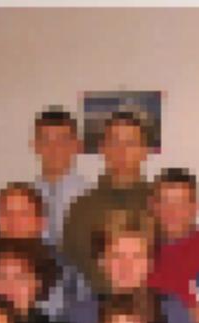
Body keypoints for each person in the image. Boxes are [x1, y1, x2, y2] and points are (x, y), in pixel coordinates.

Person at [65, 209, 197, 323]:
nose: (126, 266)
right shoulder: (79, 315)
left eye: (137, 256)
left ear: (150, 263)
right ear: (101, 261)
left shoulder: (173, 310)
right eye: (117, 256)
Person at [62, 111, 152, 290]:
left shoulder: (160, 205)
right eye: (115, 142)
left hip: (150, 303)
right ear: (103, 149)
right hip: (93, 302)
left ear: (144, 151)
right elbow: (71, 265)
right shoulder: (81, 208)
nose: (122, 151)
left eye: (130, 143)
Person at [0, 180, 90, 319]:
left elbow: (83, 312)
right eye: (7, 213)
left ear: (41, 222)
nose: (14, 221)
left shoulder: (66, 267)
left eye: (23, 214)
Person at [146, 167, 199, 313]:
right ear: (153, 206)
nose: (172, 211)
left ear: (196, 207)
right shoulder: (139, 255)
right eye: (165, 202)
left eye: (181, 203)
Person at [31, 107, 88, 249]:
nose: (54, 148)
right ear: (36, 146)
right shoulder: (27, 197)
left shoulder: (89, 195)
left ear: (77, 146)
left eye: (62, 141)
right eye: (46, 141)